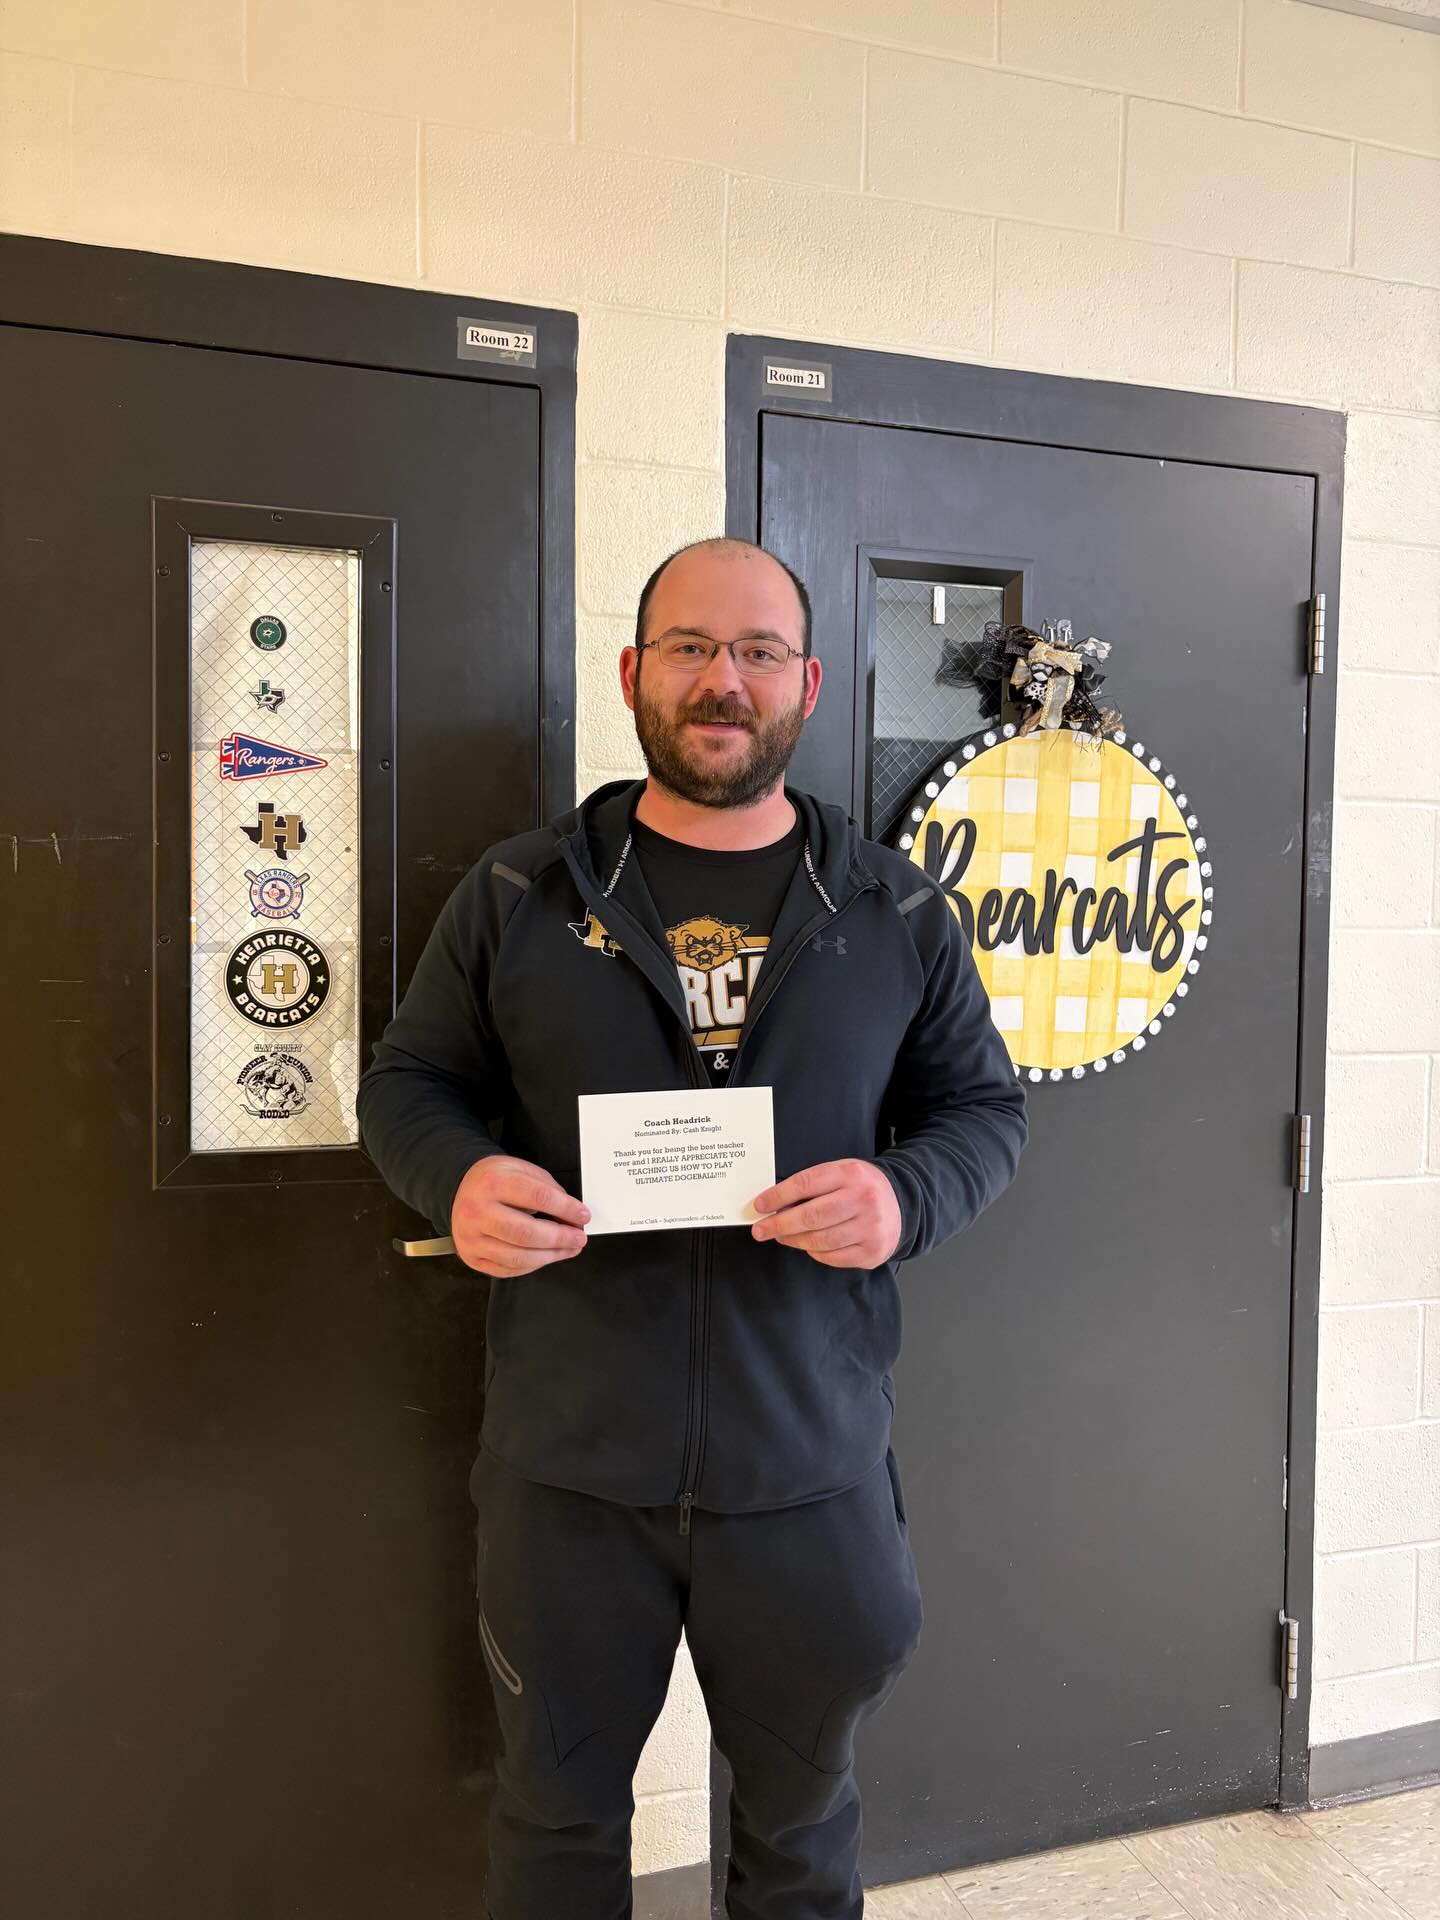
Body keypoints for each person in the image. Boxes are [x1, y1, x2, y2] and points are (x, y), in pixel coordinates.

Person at [356, 536, 1029, 1919]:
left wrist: (902, 1197)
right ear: (634, 673)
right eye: (690, 649)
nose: (724, 682)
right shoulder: (517, 894)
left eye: (758, 652)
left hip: (808, 1471)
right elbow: (408, 1086)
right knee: (554, 1829)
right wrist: (459, 1180)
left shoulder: (897, 909)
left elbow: (984, 1113)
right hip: (567, 1473)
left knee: (800, 1834)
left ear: (809, 682)